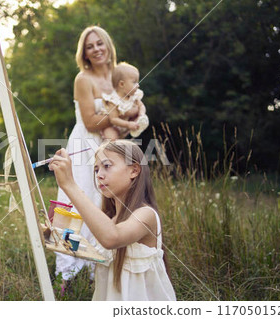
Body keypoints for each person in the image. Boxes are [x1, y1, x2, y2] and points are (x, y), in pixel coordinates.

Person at [49, 140, 176, 301]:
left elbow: (112, 238)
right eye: (96, 169)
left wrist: (69, 185)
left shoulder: (146, 215)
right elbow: (100, 254)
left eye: (107, 166)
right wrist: (58, 238)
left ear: (134, 170)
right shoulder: (110, 218)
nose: (99, 175)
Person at [54, 26, 116, 290]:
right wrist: (120, 115)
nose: (97, 49)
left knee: (105, 205)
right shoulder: (83, 79)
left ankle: (96, 273)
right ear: (85, 53)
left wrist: (127, 124)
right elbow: (91, 122)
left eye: (100, 43)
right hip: (85, 147)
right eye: (90, 46)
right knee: (75, 205)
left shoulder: (119, 76)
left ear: (108, 45)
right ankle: (65, 276)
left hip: (112, 149)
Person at [100, 62, 149, 140]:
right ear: (122, 84)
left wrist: (141, 114)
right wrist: (128, 124)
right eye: (134, 82)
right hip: (113, 126)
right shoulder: (114, 100)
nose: (138, 85)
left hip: (129, 124)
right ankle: (113, 145)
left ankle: (138, 125)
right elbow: (113, 119)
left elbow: (141, 105)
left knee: (140, 117)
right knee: (111, 136)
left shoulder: (134, 96)